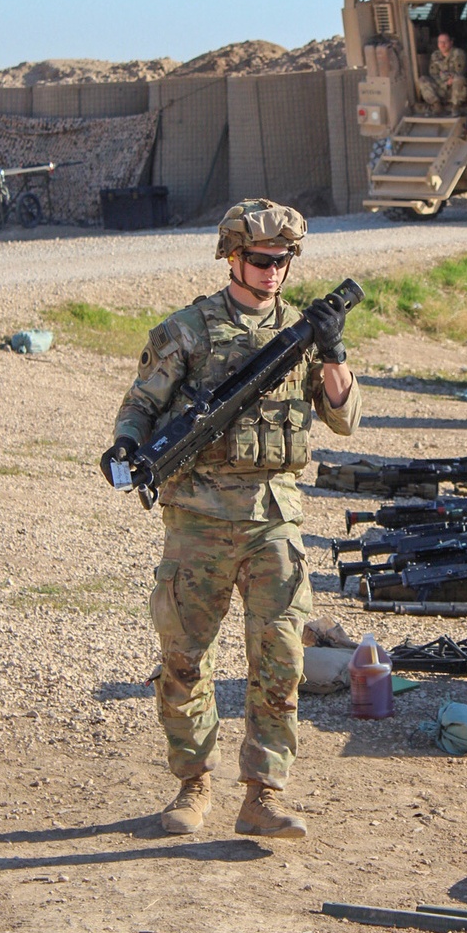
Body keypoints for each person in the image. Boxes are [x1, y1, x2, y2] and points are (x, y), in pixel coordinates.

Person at [102, 199, 362, 839]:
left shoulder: (302, 336)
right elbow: (140, 405)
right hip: (198, 517)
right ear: (232, 257)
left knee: (280, 657)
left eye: (283, 260)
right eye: (260, 259)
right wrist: (126, 447)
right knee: (184, 657)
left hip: (275, 519)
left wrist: (332, 350)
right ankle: (193, 785)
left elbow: (345, 416)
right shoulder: (187, 331)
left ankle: (263, 795)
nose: (273, 271)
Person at [417, 31, 467, 113]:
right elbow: (433, 74)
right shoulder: (435, 55)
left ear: (451, 43)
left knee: (459, 79)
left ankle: (455, 107)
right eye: (440, 42)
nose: (442, 44)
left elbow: (459, 72)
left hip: (455, 89)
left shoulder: (458, 53)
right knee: (423, 79)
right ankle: (436, 105)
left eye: (445, 42)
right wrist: (445, 83)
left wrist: (443, 75)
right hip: (442, 88)